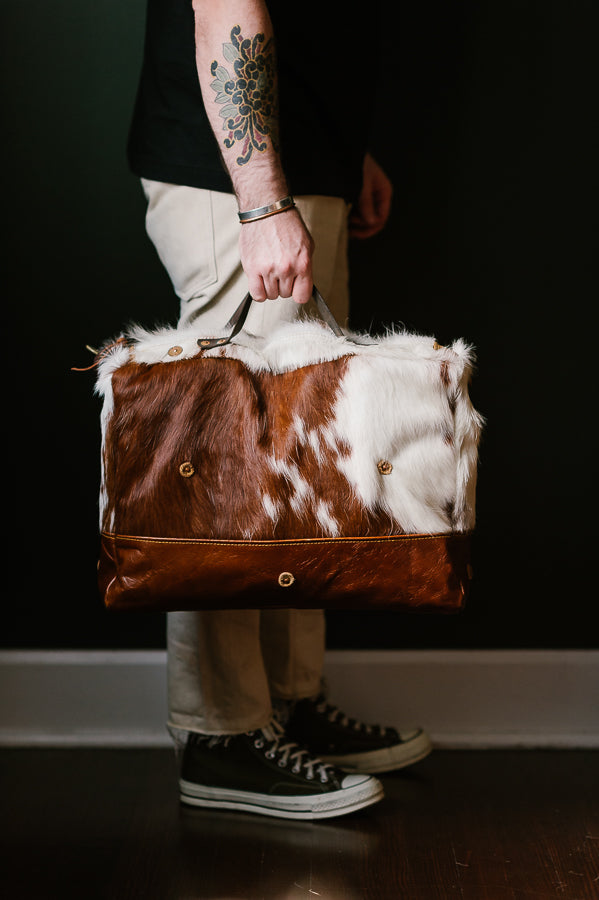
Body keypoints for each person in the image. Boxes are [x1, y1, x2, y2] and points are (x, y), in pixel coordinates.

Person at [127, 0, 432, 820]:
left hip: (298, 161)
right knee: (233, 460)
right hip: (232, 178)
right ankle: (222, 734)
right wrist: (262, 202)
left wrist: (337, 152)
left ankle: (286, 705)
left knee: (300, 460)